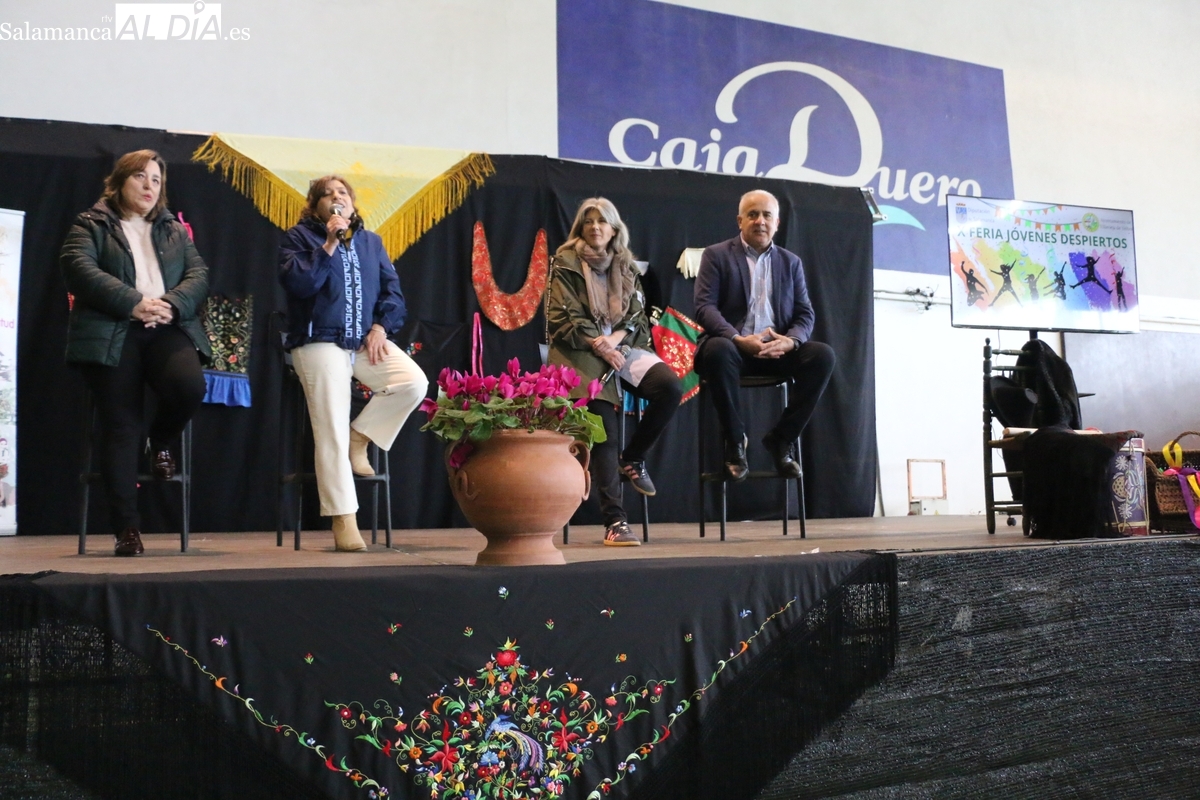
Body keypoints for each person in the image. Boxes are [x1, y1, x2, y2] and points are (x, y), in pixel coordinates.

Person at [60, 150, 212, 556]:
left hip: (165, 326)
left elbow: (198, 274)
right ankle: (126, 527)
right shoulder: (91, 223)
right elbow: (78, 267)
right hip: (112, 331)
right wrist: (133, 302)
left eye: (156, 180)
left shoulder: (173, 229)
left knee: (189, 386)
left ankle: (160, 440)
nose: (149, 186)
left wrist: (171, 304)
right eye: (140, 177)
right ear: (120, 181)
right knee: (122, 426)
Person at [278, 175, 427, 551]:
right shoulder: (299, 238)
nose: (336, 197)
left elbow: (393, 293)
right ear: (315, 206)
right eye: (327, 194)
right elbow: (300, 285)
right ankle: (344, 517)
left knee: (413, 382)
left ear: (353, 203)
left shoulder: (371, 242)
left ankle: (359, 438)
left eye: (342, 192)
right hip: (317, 340)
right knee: (331, 422)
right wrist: (329, 243)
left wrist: (381, 326)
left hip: (361, 341)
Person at [546, 198, 683, 546]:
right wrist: (599, 345)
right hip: (580, 349)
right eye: (588, 221)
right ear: (580, 228)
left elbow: (637, 317)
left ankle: (633, 458)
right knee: (603, 427)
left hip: (622, 346)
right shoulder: (564, 262)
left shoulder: (626, 265)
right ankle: (615, 522)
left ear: (614, 229)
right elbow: (561, 318)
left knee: (669, 387)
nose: (595, 227)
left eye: (602, 221)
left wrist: (617, 341)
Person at [693, 189, 835, 482]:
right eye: (753, 214)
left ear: (777, 223)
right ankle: (735, 442)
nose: (760, 221)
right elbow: (704, 307)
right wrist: (737, 339)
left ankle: (782, 439)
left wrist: (791, 341)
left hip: (777, 351)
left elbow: (805, 313)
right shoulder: (716, 255)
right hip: (733, 350)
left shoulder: (791, 262)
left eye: (767, 215)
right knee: (717, 349)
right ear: (740, 221)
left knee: (822, 356)